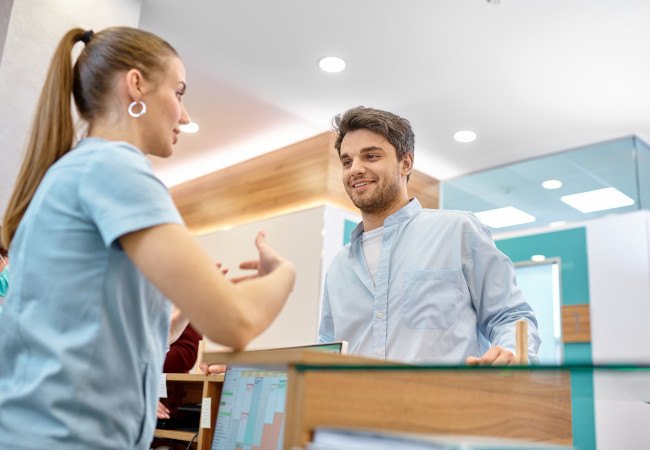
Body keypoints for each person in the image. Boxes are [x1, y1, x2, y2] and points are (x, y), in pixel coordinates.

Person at [0, 27, 295, 450]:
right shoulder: (115, 168)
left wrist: (166, 324)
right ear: (135, 84)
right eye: (179, 92)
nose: (186, 115)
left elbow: (88, 332)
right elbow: (237, 322)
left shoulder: (78, 169)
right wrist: (283, 273)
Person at [317, 106, 539, 366]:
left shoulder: (457, 232)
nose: (355, 168)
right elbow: (326, 350)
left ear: (406, 163)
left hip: (448, 404)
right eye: (347, 161)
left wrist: (509, 352)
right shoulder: (339, 267)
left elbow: (511, 315)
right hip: (358, 406)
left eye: (371, 156)